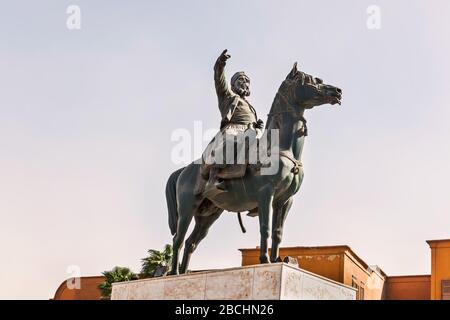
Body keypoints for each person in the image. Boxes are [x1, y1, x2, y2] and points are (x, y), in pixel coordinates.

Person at [197, 49, 264, 196]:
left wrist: (256, 126)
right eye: (241, 80)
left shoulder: (250, 106)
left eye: (247, 81)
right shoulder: (228, 96)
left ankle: (259, 187)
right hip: (233, 130)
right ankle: (213, 180)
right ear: (233, 85)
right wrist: (220, 64)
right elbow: (219, 80)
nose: (244, 83)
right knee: (231, 141)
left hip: (251, 133)